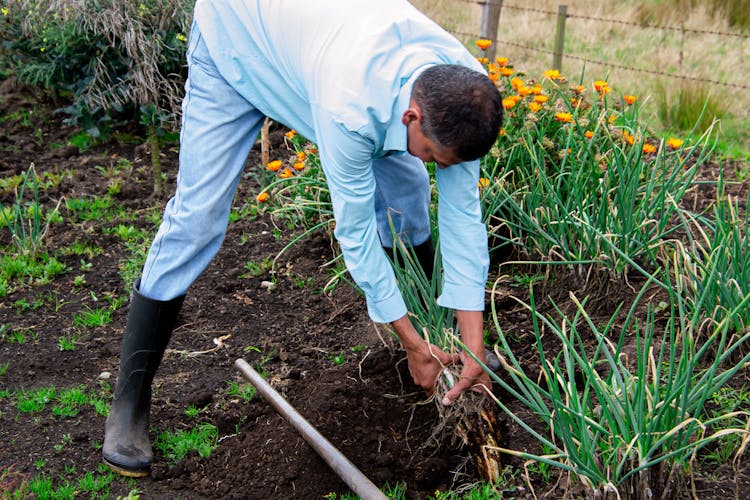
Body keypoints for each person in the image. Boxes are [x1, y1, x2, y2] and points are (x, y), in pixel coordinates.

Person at [102, 0, 503, 478]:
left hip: (313, 50)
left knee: (407, 198)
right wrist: (411, 344)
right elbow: (355, 234)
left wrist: (474, 343)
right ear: (413, 117)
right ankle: (130, 400)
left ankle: (444, 351)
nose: (440, 165)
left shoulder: (466, 95)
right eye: (434, 155)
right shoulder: (351, 105)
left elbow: (463, 218)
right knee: (198, 218)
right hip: (237, 44)